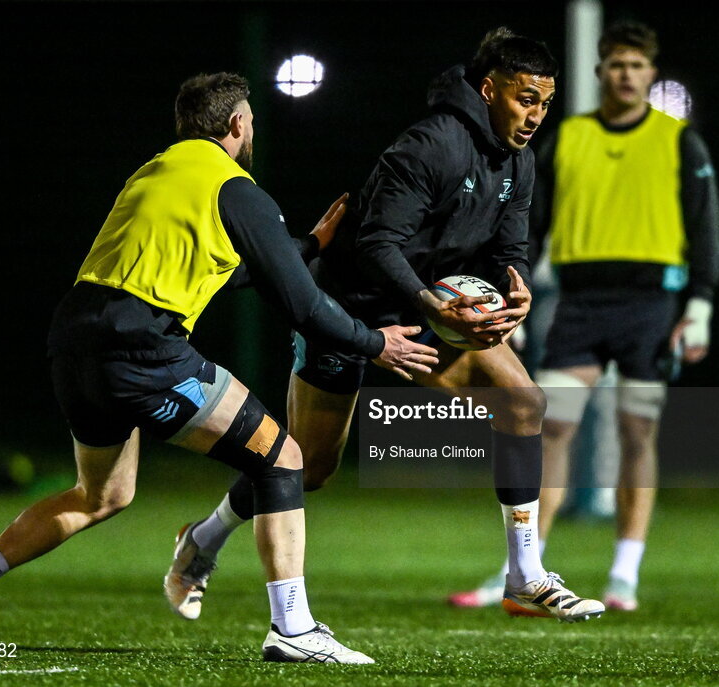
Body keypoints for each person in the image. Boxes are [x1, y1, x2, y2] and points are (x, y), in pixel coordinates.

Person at [0, 72, 441, 664]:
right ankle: (293, 629)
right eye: (250, 121)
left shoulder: (154, 173)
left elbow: (231, 269)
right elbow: (304, 306)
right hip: (142, 348)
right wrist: (377, 343)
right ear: (239, 124)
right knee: (282, 458)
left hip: (73, 341)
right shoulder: (236, 188)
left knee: (101, 494)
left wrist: (308, 248)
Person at [165, 28, 606, 624]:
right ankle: (204, 539)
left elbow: (511, 244)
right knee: (308, 467)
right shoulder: (429, 145)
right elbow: (376, 243)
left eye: (545, 103)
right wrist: (429, 304)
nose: (535, 115)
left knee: (523, 402)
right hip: (348, 310)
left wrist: (515, 286)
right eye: (526, 99)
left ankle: (525, 575)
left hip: (427, 310)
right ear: (488, 89)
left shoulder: (519, 161)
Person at [450, 21, 719, 612]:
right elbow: (529, 221)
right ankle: (522, 568)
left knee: (636, 431)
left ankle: (624, 573)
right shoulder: (567, 136)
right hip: (578, 303)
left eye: (637, 66)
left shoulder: (678, 141)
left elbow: (706, 229)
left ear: (651, 74)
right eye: (617, 64)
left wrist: (698, 306)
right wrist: (508, 294)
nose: (626, 74)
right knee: (553, 428)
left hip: (651, 303)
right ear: (601, 72)